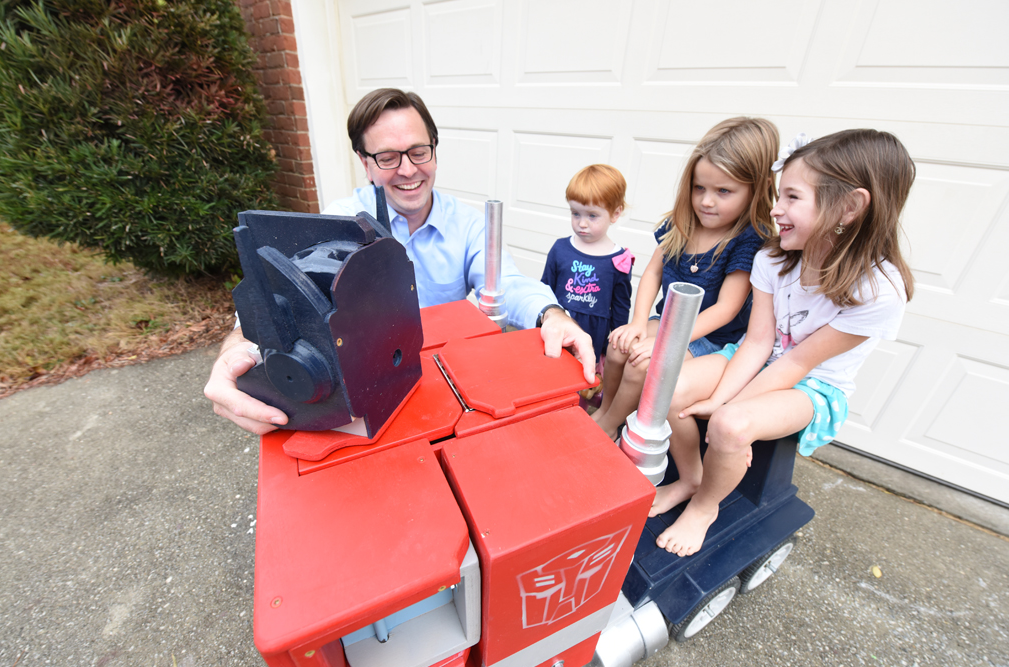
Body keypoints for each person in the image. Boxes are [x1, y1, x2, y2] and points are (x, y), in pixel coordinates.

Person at [205, 88, 595, 435]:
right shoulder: (336, 224)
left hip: (449, 393)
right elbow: (281, 299)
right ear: (365, 161)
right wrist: (237, 352)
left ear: (435, 151)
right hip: (366, 400)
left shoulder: (469, 225)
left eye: (418, 152)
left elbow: (506, 281)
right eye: (388, 157)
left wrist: (553, 314)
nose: (408, 170)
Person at [652, 129, 915, 557]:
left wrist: (724, 408)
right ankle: (691, 477)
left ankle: (705, 507)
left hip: (812, 384)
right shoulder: (772, 259)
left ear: (849, 207)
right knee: (669, 385)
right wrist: (717, 394)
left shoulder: (879, 292)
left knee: (730, 426)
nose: (775, 210)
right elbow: (757, 343)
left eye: (792, 198)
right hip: (758, 360)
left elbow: (797, 364)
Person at [591, 118, 779, 439]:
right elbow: (652, 272)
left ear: (755, 190)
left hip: (710, 337)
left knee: (641, 364)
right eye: (699, 188)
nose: (706, 201)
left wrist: (664, 342)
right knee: (620, 345)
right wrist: (638, 322)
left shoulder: (747, 241)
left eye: (723, 191)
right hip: (667, 322)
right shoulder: (683, 224)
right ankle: (606, 411)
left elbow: (726, 310)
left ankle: (609, 426)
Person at [541, 164, 633, 365]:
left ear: (615, 214)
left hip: (595, 334)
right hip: (560, 327)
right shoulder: (560, 249)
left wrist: (614, 348)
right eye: (576, 213)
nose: (582, 223)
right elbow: (544, 289)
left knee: (585, 379)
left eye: (592, 215)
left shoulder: (618, 260)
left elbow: (620, 306)